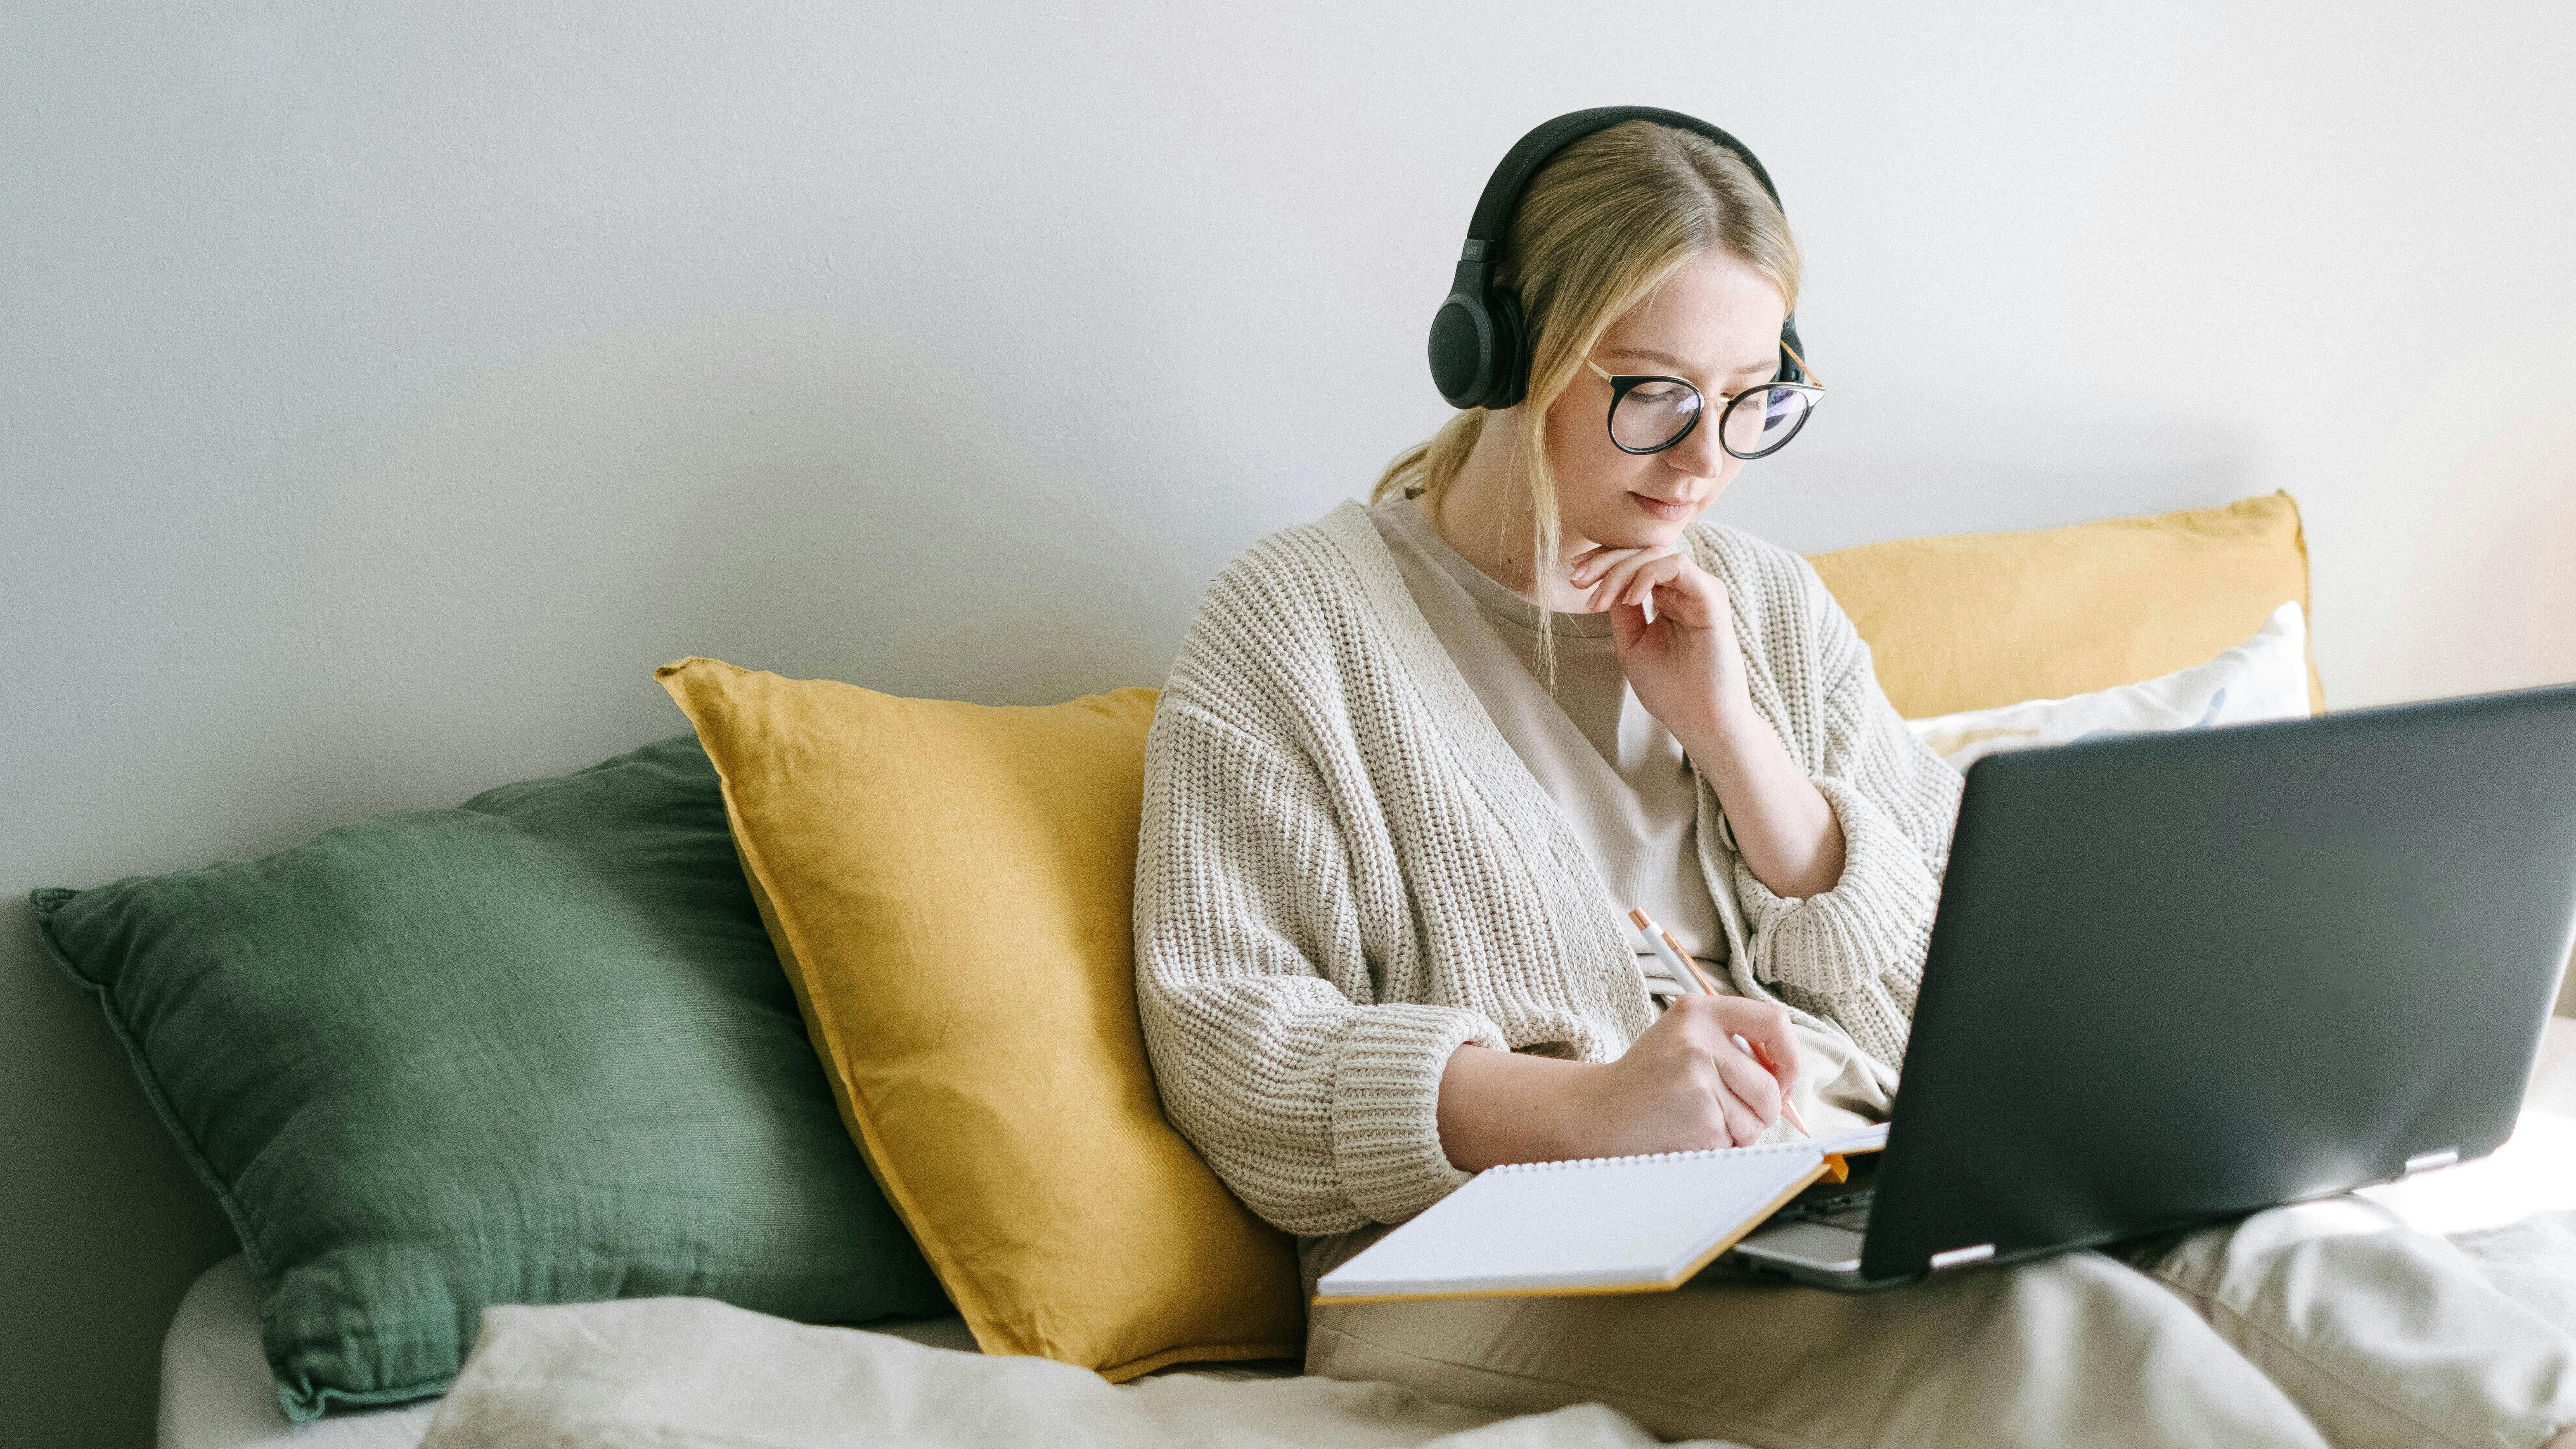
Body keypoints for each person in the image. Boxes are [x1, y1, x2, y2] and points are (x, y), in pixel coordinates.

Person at [1131, 114, 2576, 1449]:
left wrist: (1741, 744)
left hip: (1833, 1182)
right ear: (1505, 359)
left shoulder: (1760, 602)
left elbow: (1961, 982)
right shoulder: (1297, 625)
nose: (1707, 461)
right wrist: (1581, 1111)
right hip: (1480, 1260)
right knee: (2067, 1343)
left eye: (1755, 401)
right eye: (1654, 398)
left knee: (2279, 1248)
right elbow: (1239, 1057)